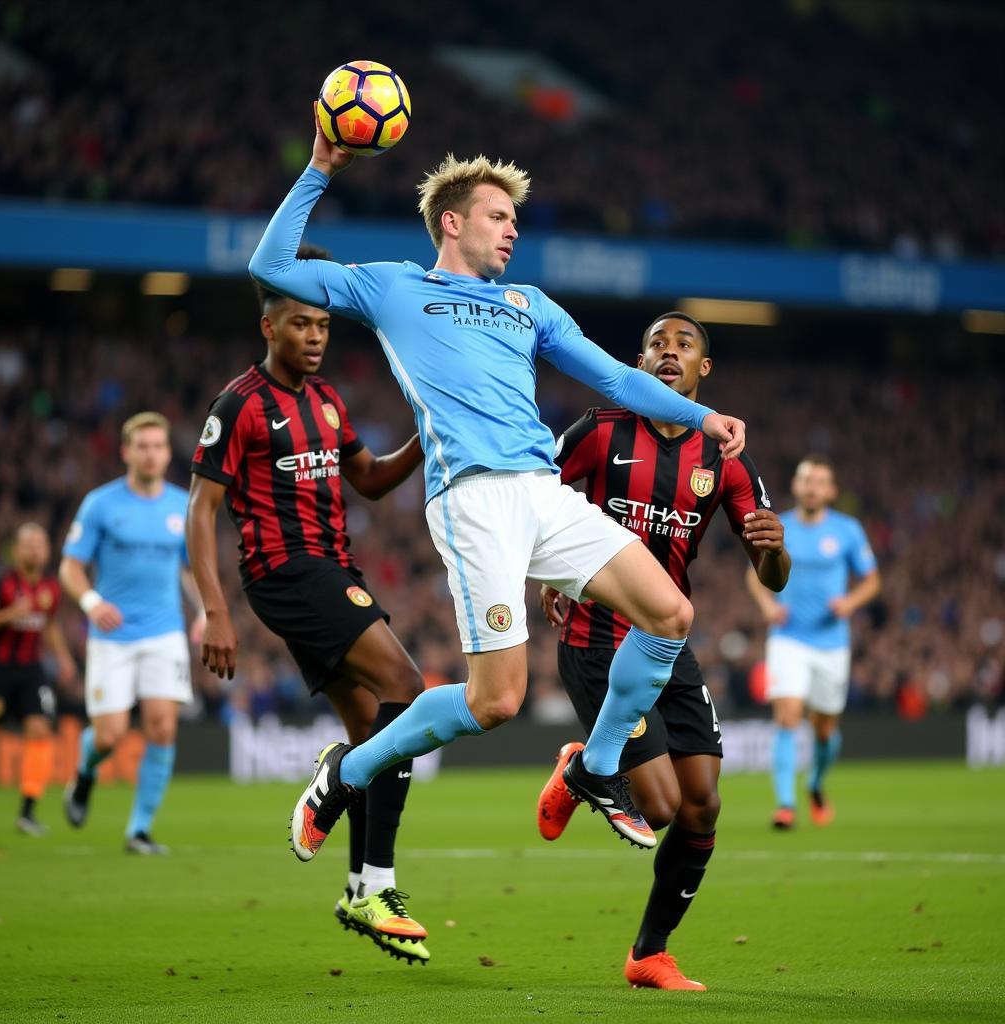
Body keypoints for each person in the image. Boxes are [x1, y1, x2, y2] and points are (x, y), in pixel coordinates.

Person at [246, 109, 747, 860]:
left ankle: (599, 766)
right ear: (452, 222)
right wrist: (321, 167)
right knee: (497, 702)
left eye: (515, 218)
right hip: (473, 498)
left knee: (670, 613)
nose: (513, 230)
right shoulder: (392, 289)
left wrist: (701, 415)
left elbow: (612, 375)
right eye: (498, 216)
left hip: (543, 492)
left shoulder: (528, 306)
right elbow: (273, 268)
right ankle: (346, 771)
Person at [188, 244, 430, 964]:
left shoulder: (327, 401)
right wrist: (216, 609)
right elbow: (202, 510)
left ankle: (362, 889)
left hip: (330, 569)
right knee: (409, 691)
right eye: (301, 324)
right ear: (270, 329)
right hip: (287, 572)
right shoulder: (239, 404)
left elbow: (372, 480)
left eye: (323, 325)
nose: (316, 336)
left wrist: (428, 432)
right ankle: (364, 850)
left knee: (375, 734)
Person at [534, 312, 789, 989]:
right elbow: (528, 499)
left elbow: (771, 575)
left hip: (667, 643)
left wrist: (774, 549)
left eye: (685, 345)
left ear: (705, 369)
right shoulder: (598, 431)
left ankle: (650, 952)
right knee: (663, 806)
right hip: (595, 638)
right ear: (640, 363)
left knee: (703, 802)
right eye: (656, 344)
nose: (668, 352)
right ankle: (588, 764)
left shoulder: (725, 462)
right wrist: (542, 573)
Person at [60, 412, 204, 854]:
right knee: (110, 735)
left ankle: (138, 831)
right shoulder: (101, 504)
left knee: (162, 729)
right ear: (126, 452)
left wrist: (205, 612)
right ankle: (85, 774)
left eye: (159, 446)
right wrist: (91, 602)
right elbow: (70, 566)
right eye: (142, 446)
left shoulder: (182, 505)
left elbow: (192, 568)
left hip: (165, 633)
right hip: (113, 635)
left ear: (166, 453)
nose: (151, 453)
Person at [746, 454, 880, 829]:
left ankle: (816, 783)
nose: (812, 487)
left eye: (820, 481)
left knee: (824, 729)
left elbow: (872, 581)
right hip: (788, 638)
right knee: (787, 717)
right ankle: (785, 805)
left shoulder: (848, 530)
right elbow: (750, 574)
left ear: (831, 490)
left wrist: (849, 602)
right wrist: (767, 606)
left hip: (832, 642)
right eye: (806, 480)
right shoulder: (779, 526)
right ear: (795, 486)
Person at [0, 523, 77, 835]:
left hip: (32, 670)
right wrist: (9, 614)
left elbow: (49, 626)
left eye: (40, 543)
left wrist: (62, 657)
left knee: (39, 730)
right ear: (17, 550)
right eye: (29, 543)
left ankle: (28, 812)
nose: (35, 548)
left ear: (47, 550)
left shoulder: (51, 587)